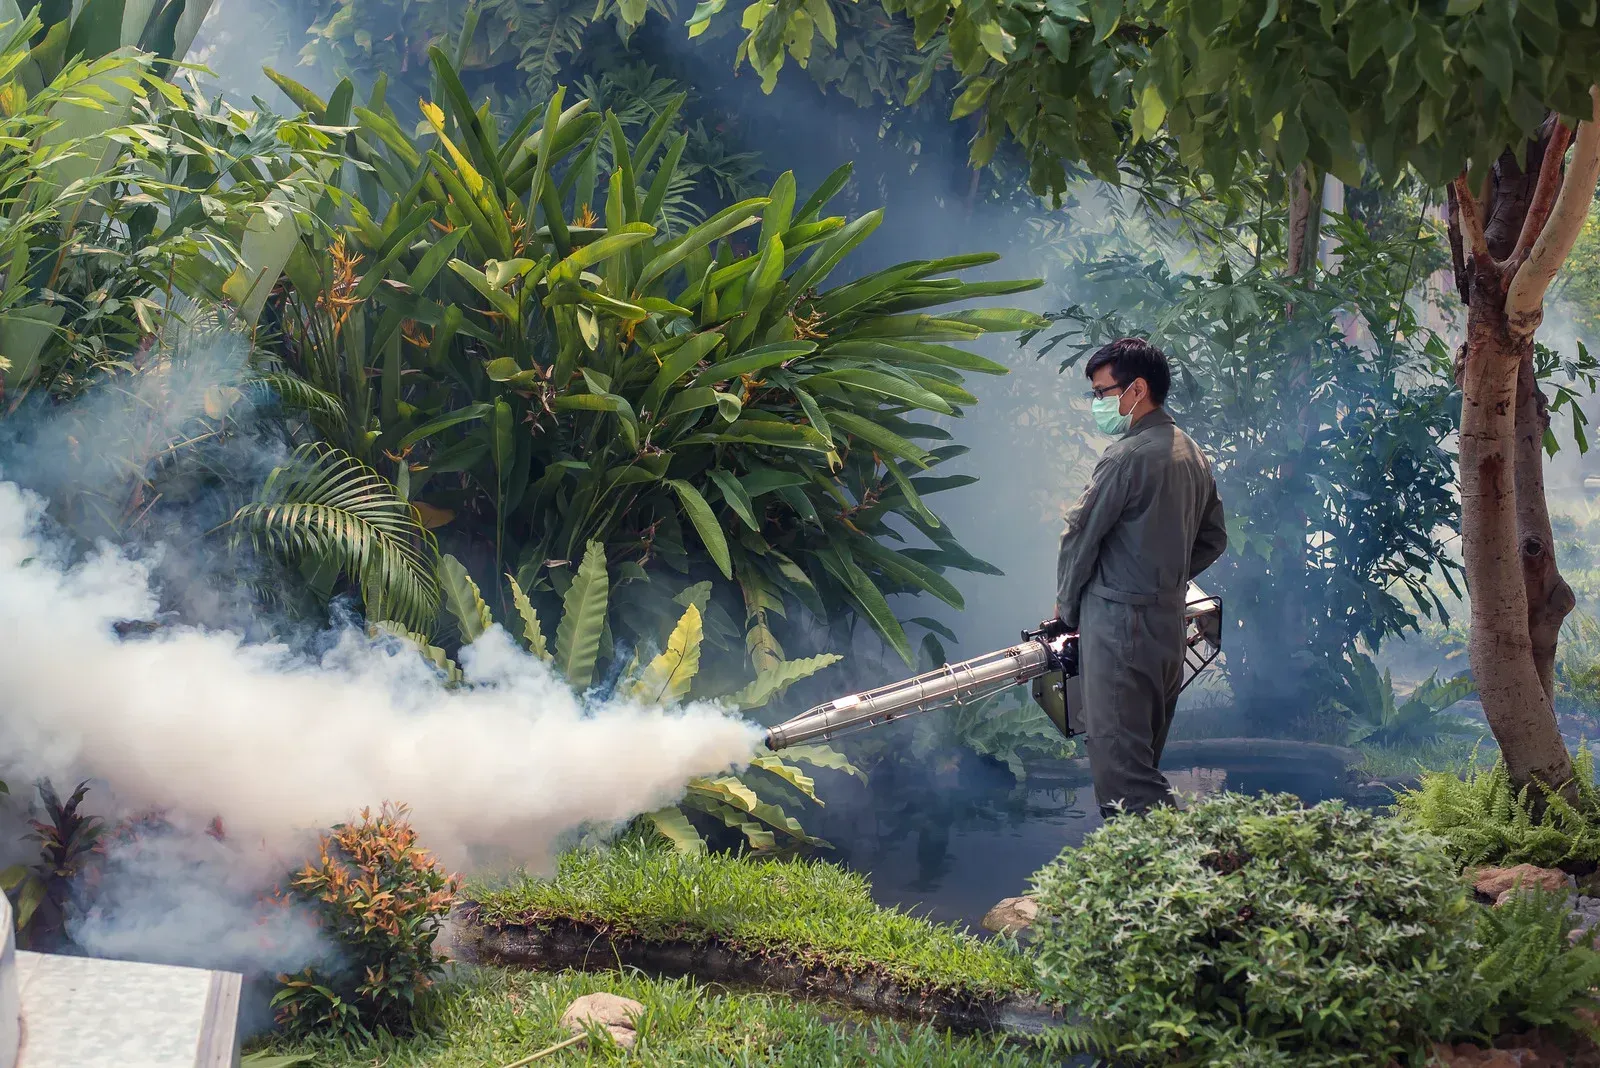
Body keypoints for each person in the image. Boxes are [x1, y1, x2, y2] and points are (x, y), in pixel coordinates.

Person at [1054, 337, 1227, 820]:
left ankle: (1180, 879)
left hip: (1118, 630)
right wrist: (1163, 576)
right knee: (1142, 757)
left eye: (1102, 393)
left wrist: (1067, 609)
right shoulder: (1190, 453)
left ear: (1137, 389)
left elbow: (1079, 536)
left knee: (1123, 777)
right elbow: (1214, 539)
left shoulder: (1126, 457)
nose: (1098, 404)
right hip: (1167, 625)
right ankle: (1151, 884)